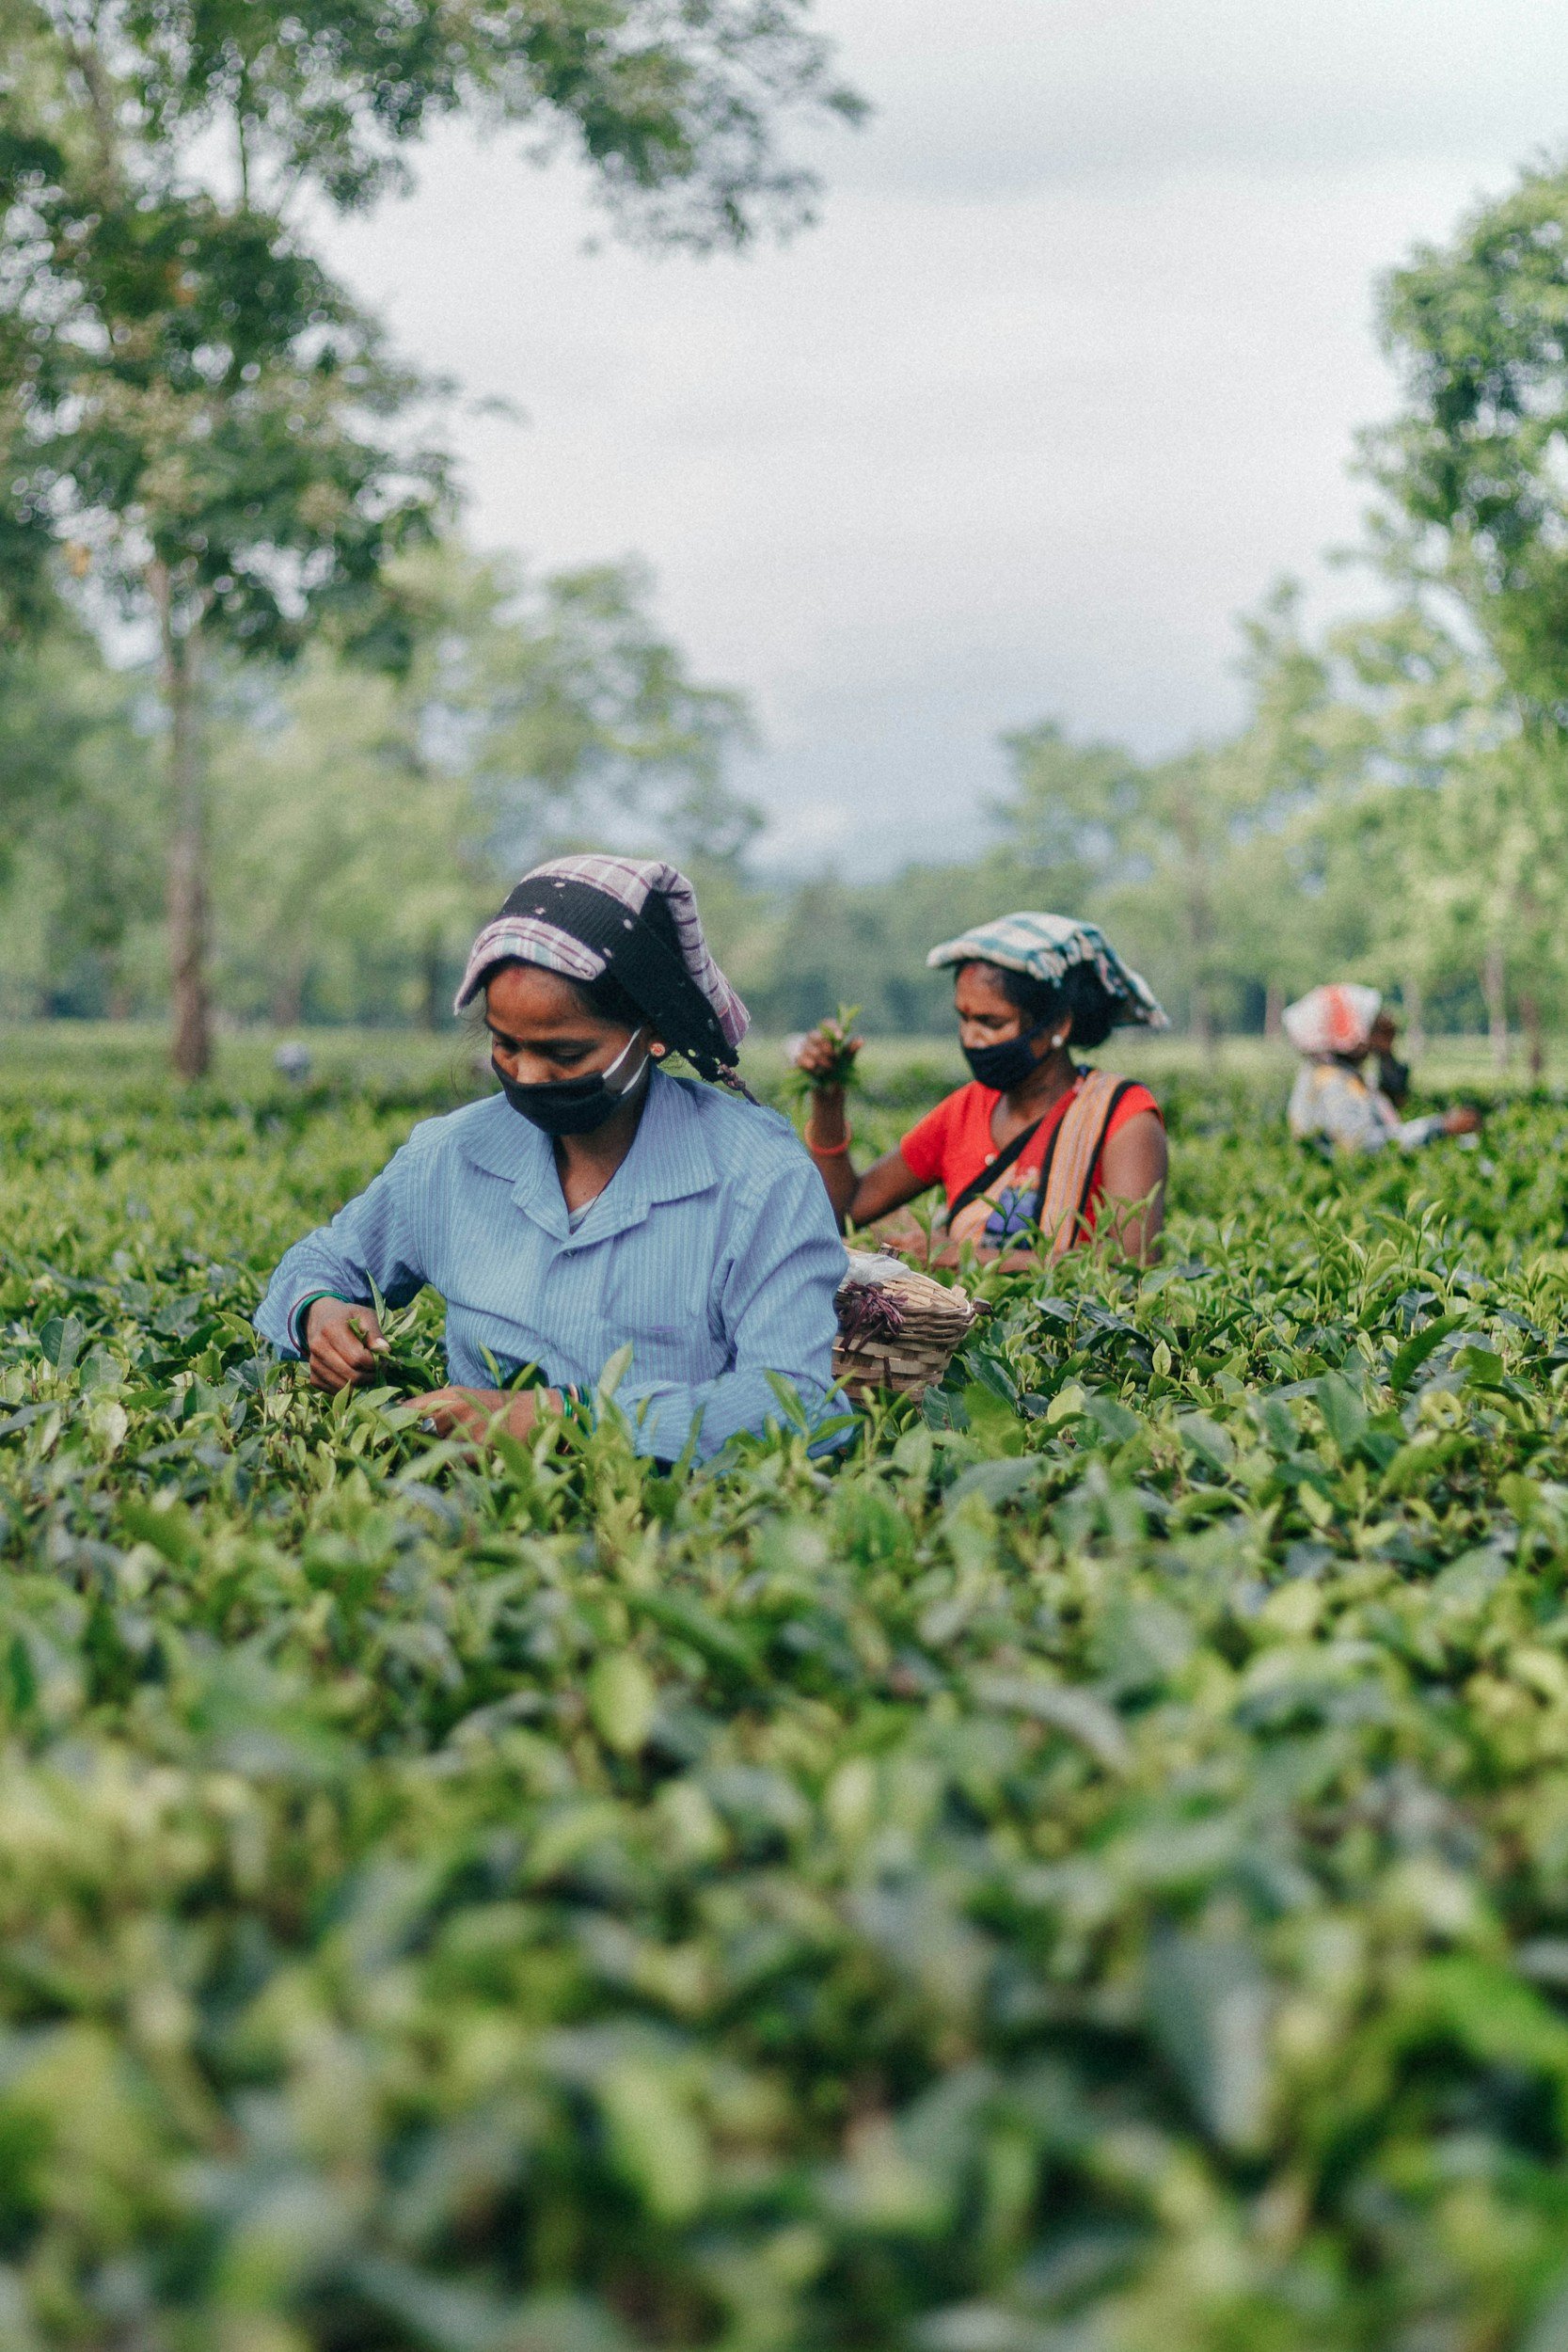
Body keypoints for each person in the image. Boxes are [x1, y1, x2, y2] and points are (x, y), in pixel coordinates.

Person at [254, 856, 847, 1461]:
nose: (529, 1076)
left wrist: (557, 1418)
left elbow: (800, 1404)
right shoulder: (450, 1156)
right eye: (505, 1045)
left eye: (564, 1052)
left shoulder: (758, 1179)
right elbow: (320, 1263)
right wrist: (318, 1315)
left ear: (653, 1031)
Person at [793, 914, 1170, 1266]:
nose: (971, 1038)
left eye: (992, 1022)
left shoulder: (1123, 1116)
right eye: (964, 1018)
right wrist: (829, 1099)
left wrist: (963, 1255)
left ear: (1059, 1024)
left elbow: (1131, 1266)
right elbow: (845, 1209)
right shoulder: (965, 1109)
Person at [1284, 983, 1481, 1153]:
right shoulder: (1330, 1081)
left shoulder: (1342, 1072)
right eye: (1370, 1027)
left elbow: (1395, 1100)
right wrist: (1440, 1127)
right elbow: (1363, 1146)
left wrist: (1386, 1053)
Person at [1368, 1008, 1411, 1108]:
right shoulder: (1362, 1061)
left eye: (1388, 1034)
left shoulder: (1399, 1070)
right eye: (1381, 1033)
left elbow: (1400, 1101)